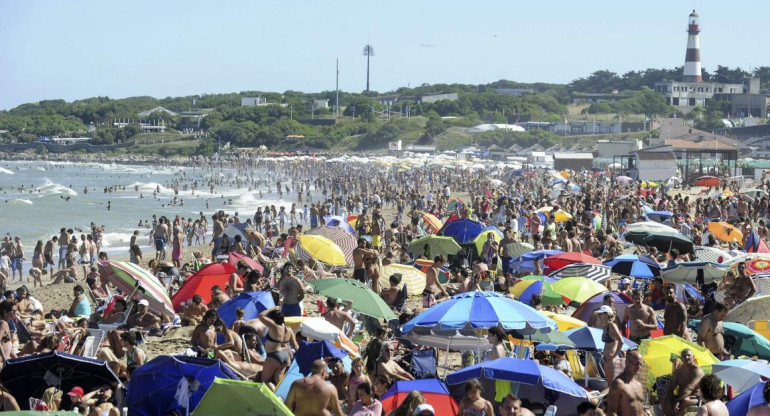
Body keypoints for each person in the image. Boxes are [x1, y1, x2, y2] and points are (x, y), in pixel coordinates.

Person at [259, 306, 298, 390]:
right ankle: (280, 397)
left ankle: (274, 398)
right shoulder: (289, 329)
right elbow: (295, 346)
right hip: (286, 357)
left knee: (265, 381)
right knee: (278, 382)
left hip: (274, 356)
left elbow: (261, 316)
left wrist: (272, 308)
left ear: (272, 319)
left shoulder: (274, 326)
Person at [663, 349, 704, 416]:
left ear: (693, 357)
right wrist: (668, 401)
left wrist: (679, 400)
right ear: (681, 358)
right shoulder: (678, 372)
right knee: (666, 399)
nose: (686, 357)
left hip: (695, 398)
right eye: (684, 356)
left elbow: (690, 387)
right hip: (680, 397)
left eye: (688, 355)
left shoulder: (697, 371)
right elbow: (671, 388)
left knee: (685, 401)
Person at [606, 350, 646, 416]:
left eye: (640, 364)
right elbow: (611, 412)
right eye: (636, 364)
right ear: (627, 362)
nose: (638, 367)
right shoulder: (618, 384)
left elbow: (638, 410)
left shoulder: (639, 385)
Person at [597, 305, 623, 382]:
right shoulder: (605, 326)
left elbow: (621, 341)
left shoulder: (612, 325)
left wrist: (614, 355)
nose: (599, 315)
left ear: (606, 314)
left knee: (611, 384)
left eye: (601, 313)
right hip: (607, 358)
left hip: (611, 359)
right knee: (609, 383)